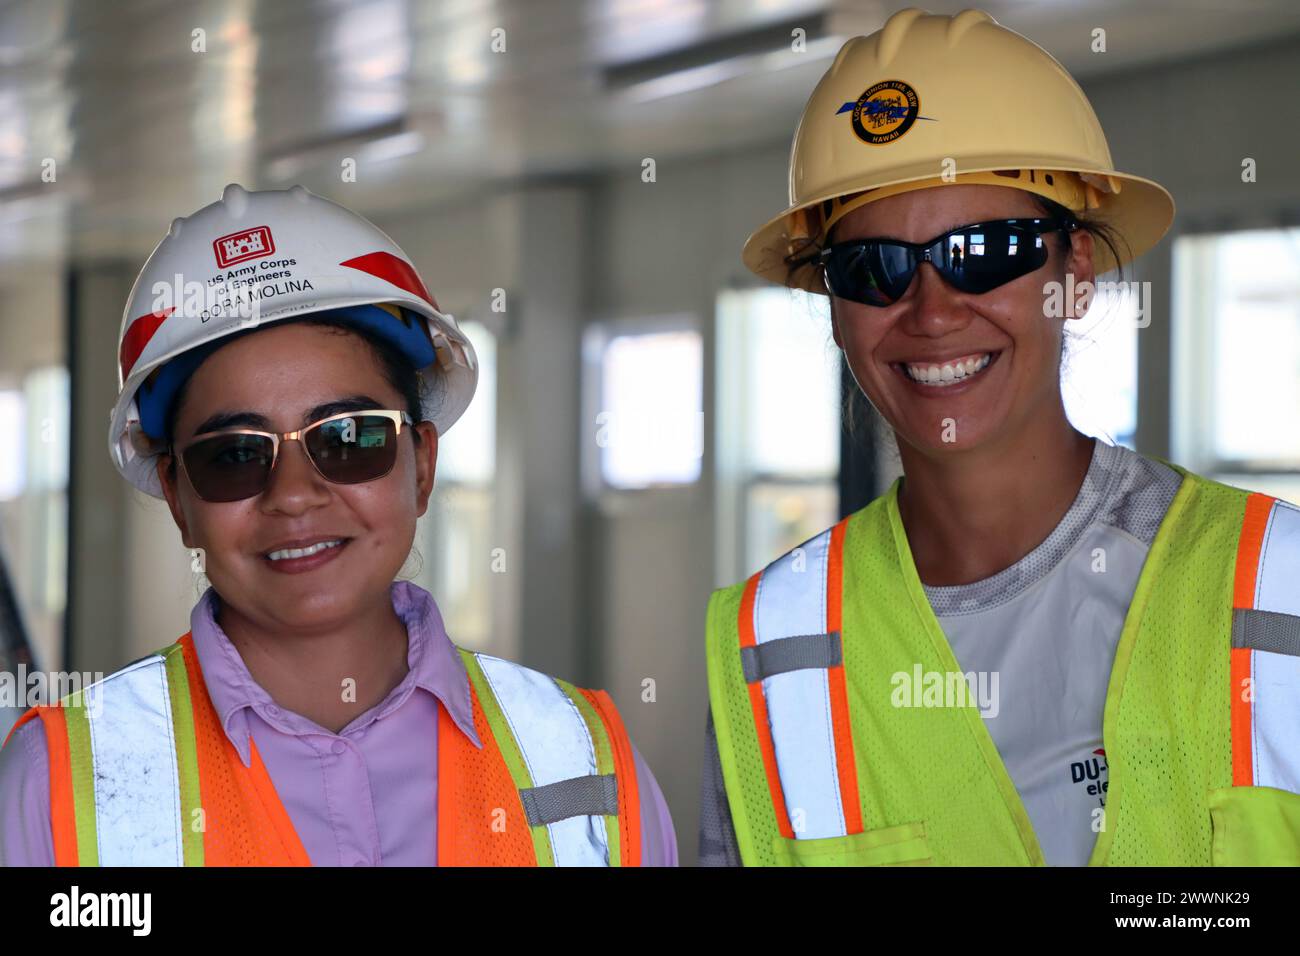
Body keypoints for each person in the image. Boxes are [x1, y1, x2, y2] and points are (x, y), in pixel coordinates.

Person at [700, 7, 1300, 866]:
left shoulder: (1277, 589)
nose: (933, 311)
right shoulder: (775, 651)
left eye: (985, 251)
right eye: (874, 268)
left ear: (1075, 272)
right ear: (833, 309)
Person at [0, 183, 676, 866]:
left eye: (348, 437)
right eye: (234, 454)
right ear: (179, 499)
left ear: (421, 465)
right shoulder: (54, 789)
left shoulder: (585, 759)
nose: (295, 496)